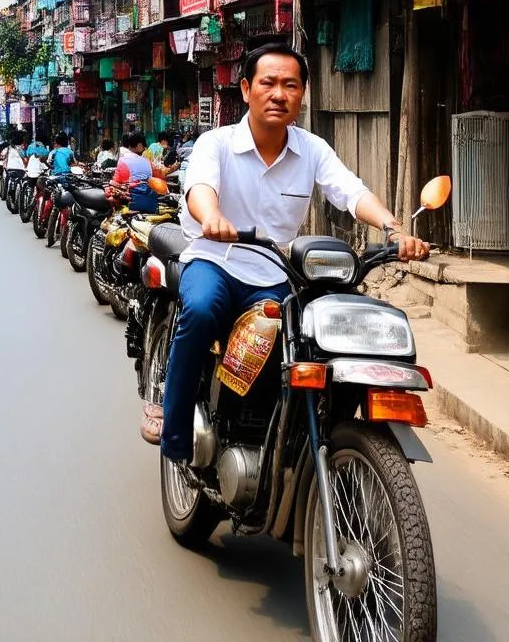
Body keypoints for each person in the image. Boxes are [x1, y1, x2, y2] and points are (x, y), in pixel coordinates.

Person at [146, 44, 429, 455]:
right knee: (203, 309)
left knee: (309, 338)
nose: (279, 93)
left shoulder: (311, 149)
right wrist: (211, 216)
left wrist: (392, 228)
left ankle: (284, 436)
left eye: (290, 85)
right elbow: (200, 188)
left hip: (277, 273)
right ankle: (176, 438)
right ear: (246, 89)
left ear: (302, 94)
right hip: (215, 260)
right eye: (268, 83)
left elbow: (350, 192)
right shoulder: (216, 142)